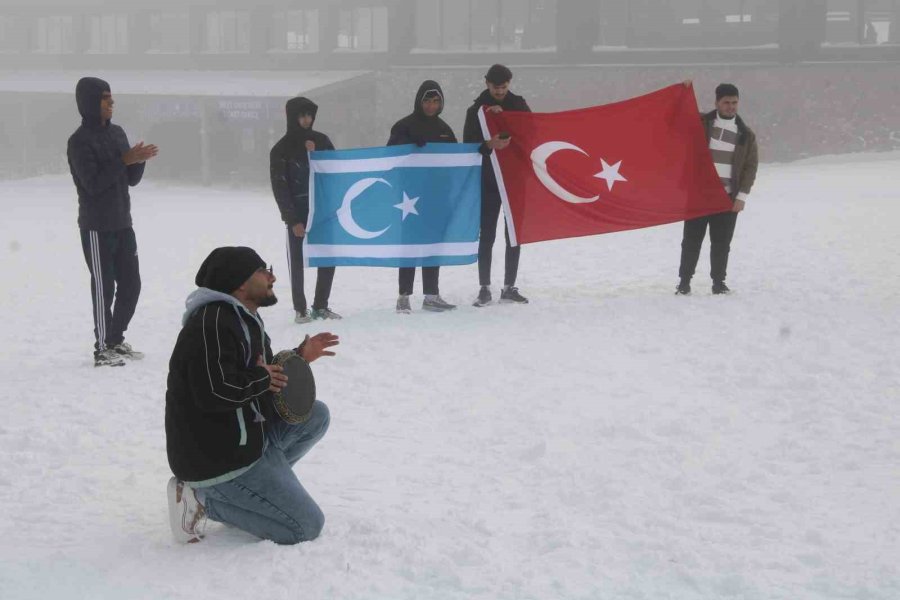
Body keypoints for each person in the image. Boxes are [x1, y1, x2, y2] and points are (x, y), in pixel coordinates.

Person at [165, 246, 339, 544]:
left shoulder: (243, 319)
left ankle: (256, 494)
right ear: (240, 281)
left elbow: (259, 376)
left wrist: (299, 357)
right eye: (263, 270)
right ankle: (204, 499)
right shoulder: (211, 325)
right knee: (305, 527)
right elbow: (213, 392)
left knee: (315, 415)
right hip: (218, 458)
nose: (272, 276)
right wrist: (261, 378)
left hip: (247, 437)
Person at [67, 77, 158, 367]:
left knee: (132, 284)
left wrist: (138, 160)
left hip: (123, 222)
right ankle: (102, 347)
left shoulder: (118, 133)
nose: (111, 102)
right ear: (90, 103)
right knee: (104, 287)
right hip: (96, 226)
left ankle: (116, 339)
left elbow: (130, 179)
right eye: (105, 98)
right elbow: (92, 184)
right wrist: (124, 160)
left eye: (111, 97)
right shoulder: (79, 141)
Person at [676, 82, 758, 296]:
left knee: (721, 244)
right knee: (691, 242)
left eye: (734, 102)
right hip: (699, 196)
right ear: (717, 103)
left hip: (727, 198)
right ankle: (684, 282)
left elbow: (750, 167)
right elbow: (675, 119)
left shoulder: (746, 135)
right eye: (726, 102)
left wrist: (741, 196)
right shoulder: (701, 123)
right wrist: (682, 91)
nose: (731, 107)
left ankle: (718, 282)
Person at [463, 64, 531, 307]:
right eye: (496, 87)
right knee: (487, 235)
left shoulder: (519, 105)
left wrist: (505, 118)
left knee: (513, 234)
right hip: (488, 180)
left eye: (504, 87)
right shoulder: (475, 111)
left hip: (514, 180)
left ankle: (509, 286)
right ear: (486, 84)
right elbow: (468, 146)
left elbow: (530, 133)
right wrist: (488, 143)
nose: (500, 91)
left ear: (510, 83)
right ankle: (484, 288)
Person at [270, 97, 341, 324]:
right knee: (298, 261)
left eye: (310, 115)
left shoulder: (321, 140)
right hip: (298, 212)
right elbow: (280, 186)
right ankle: (300, 309)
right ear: (292, 117)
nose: (306, 120)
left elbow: (336, 170)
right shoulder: (281, 149)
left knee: (328, 258)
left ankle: (321, 305)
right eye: (302, 115)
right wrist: (292, 219)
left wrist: (317, 152)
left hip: (322, 210)